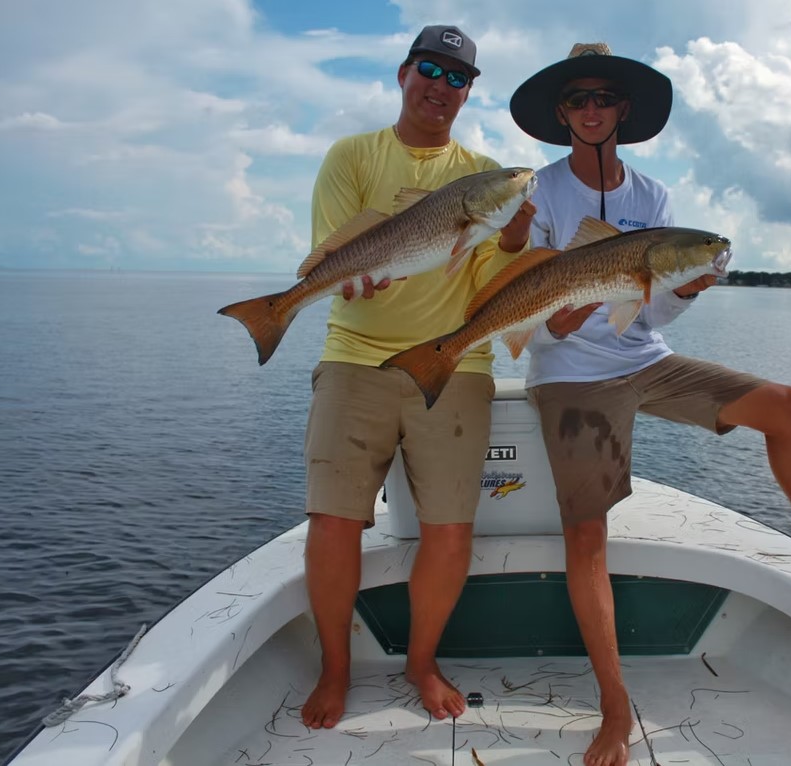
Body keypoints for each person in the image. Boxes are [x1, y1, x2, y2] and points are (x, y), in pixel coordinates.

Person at [510, 43, 791, 766]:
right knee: (586, 534)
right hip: (571, 376)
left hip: (644, 361)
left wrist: (682, 288)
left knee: (786, 404)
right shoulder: (538, 194)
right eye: (576, 99)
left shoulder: (652, 197)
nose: (590, 110)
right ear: (560, 114)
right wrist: (566, 307)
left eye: (602, 97)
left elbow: (648, 320)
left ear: (623, 111)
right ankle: (614, 704)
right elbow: (544, 320)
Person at [301, 25, 533, 729]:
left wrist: (515, 236)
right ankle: (334, 671)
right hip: (354, 354)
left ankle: (420, 663)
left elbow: (494, 281)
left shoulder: (484, 177)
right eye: (430, 69)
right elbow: (332, 252)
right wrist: (342, 282)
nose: (441, 85)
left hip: (455, 364)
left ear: (468, 92)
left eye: (457, 77)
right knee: (333, 520)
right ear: (403, 74)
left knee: (450, 531)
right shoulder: (353, 155)